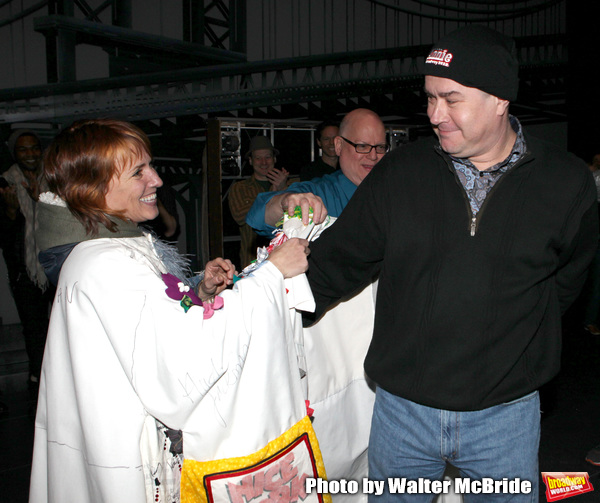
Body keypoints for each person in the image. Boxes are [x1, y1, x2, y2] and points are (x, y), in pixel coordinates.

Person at [305, 25, 598, 501]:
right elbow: (338, 262)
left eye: (451, 98)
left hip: (505, 417)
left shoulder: (565, 183)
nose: (434, 114)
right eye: (429, 97)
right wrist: (252, 301)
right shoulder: (400, 173)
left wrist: (516, 347)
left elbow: (566, 283)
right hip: (402, 414)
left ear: (500, 99)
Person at [28, 118, 310, 502]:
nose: (157, 180)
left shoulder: (111, 246)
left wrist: (197, 293)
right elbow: (180, 367)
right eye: (138, 172)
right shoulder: (106, 263)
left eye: (151, 166)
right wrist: (274, 272)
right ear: (93, 187)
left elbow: (151, 328)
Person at [246, 108, 387, 237]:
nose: (373, 156)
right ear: (339, 146)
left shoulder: (397, 189)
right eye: (362, 146)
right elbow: (261, 215)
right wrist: (286, 201)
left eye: (380, 147)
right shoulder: (323, 192)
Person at [0, 129, 54, 386]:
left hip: (55, 265)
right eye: (23, 149)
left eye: (34, 147)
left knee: (60, 325)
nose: (30, 153)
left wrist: (42, 201)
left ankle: (60, 375)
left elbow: (67, 221)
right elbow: (4, 235)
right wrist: (11, 212)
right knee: (34, 328)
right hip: (25, 272)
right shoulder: (4, 183)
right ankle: (38, 377)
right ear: (15, 153)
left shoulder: (54, 180)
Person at [228, 135, 289, 267]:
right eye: (258, 158)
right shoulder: (240, 188)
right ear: (250, 161)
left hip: (284, 259)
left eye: (267, 157)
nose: (263, 162)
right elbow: (240, 217)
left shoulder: (289, 189)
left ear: (274, 159)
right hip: (253, 263)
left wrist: (283, 189)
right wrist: (273, 193)